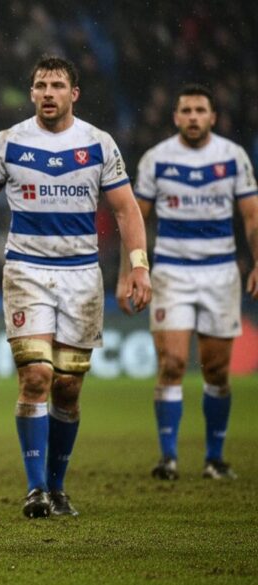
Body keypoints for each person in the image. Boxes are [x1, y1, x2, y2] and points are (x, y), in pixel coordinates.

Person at [0, 56, 151, 519]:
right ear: (32, 93)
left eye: (58, 85)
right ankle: (35, 490)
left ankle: (58, 487)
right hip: (26, 271)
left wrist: (138, 266)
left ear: (74, 93)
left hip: (82, 275)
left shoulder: (98, 144)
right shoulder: (10, 142)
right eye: (41, 85)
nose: (49, 92)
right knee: (36, 376)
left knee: (69, 387)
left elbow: (126, 210)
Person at [131, 84, 258, 481]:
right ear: (175, 117)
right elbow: (136, 221)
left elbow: (252, 217)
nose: (192, 116)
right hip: (171, 271)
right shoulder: (156, 160)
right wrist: (130, 273)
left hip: (221, 272)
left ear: (212, 117)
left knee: (217, 370)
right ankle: (167, 459)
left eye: (200, 110)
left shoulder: (232, 157)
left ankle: (214, 458)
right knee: (171, 363)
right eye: (185, 110)